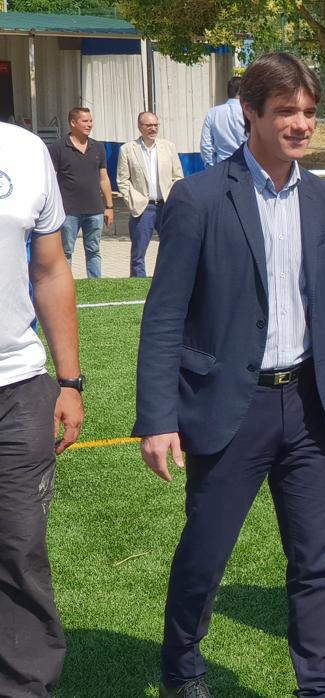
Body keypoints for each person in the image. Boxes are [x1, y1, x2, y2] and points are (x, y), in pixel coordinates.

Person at [133, 53, 325, 698]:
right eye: (286, 112)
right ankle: (183, 669)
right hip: (226, 410)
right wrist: (158, 420)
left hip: (309, 407)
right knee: (205, 557)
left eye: (308, 111)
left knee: (315, 563)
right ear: (251, 114)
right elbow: (163, 318)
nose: (301, 124)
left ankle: (317, 684)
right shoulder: (199, 197)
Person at [0, 120, 84, 698]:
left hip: (18, 387)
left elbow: (50, 269)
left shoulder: (25, 150)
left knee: (19, 547)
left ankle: (26, 688)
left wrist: (70, 381)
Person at [116, 111, 184, 278]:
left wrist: (174, 199)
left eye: (155, 125)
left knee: (171, 247)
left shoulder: (169, 147)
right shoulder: (127, 149)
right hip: (142, 207)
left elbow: (178, 176)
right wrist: (132, 201)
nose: (153, 129)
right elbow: (122, 180)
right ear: (140, 127)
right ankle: (138, 284)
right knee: (138, 252)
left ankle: (167, 279)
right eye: (149, 125)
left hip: (166, 206)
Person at [48, 107, 112, 278]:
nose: (89, 124)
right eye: (85, 121)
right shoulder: (57, 148)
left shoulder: (98, 147)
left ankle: (95, 285)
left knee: (94, 250)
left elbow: (104, 178)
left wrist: (109, 206)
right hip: (69, 211)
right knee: (66, 252)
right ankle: (65, 284)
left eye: (90, 121)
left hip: (95, 210)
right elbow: (51, 181)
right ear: (73, 123)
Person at [200, 75, 246, 167]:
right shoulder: (249, 112)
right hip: (245, 167)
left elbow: (206, 145)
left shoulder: (212, 113)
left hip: (222, 166)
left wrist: (211, 167)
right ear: (242, 92)